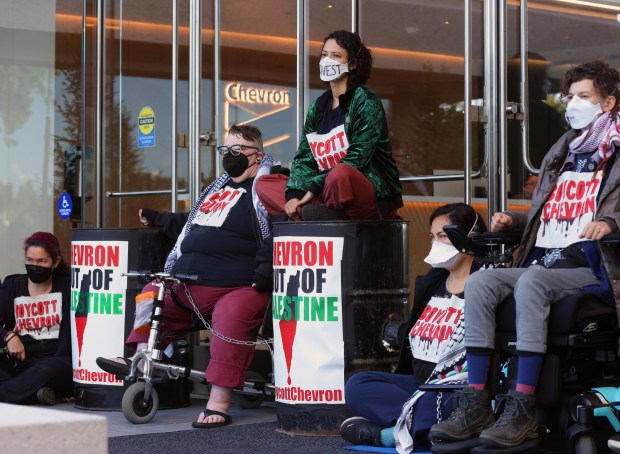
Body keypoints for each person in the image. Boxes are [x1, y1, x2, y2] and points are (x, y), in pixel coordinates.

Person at [429, 60, 620, 448]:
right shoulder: (564, 149)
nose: (573, 103)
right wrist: (513, 222)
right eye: (571, 96)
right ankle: (478, 400)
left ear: (608, 103)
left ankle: (523, 407)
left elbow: (609, 210)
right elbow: (550, 214)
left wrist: (611, 224)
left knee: (532, 281)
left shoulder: (614, 153)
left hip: (589, 264)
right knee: (482, 281)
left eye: (584, 97)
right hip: (545, 259)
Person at [97, 124, 276, 428]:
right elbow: (189, 222)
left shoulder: (266, 186)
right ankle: (141, 360)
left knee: (233, 314)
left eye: (237, 150)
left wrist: (263, 272)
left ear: (257, 156)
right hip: (188, 282)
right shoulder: (216, 189)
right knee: (152, 291)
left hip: (237, 285)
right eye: (225, 150)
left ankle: (218, 403)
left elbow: (281, 228)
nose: (229, 156)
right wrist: (158, 218)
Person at [339, 203, 486, 450]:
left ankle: (387, 435)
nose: (436, 243)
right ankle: (424, 426)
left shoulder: (487, 283)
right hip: (417, 384)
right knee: (357, 385)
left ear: (468, 236)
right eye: (433, 237)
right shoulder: (431, 283)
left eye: (443, 236)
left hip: (457, 387)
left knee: (440, 405)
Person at [256, 30, 403, 221]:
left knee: (340, 173)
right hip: (324, 191)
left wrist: (311, 192)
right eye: (324, 54)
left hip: (366, 194)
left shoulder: (366, 101)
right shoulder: (317, 108)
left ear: (353, 63)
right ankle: (312, 210)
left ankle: (314, 210)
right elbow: (304, 157)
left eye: (336, 55)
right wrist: (294, 196)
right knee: (265, 183)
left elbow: (357, 158)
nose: (327, 61)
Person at [0, 232, 73, 405]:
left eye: (41, 261)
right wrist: (7, 336)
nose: (34, 266)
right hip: (20, 363)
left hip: (56, 364)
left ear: (55, 262)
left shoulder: (68, 286)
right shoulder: (13, 285)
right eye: (30, 260)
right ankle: (39, 394)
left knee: (47, 370)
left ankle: (8, 394)